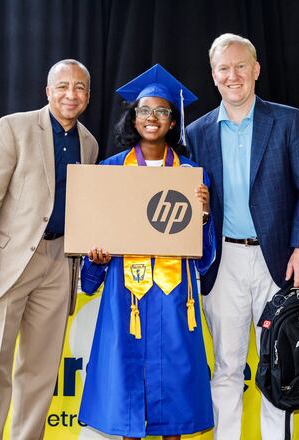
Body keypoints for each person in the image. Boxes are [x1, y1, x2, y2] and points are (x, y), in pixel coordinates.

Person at [186, 33, 299, 440]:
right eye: (224, 68)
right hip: (223, 261)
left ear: (256, 70)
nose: (233, 75)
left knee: (277, 361)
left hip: (275, 260)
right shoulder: (197, 132)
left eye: (241, 66)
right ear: (213, 76)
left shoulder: (287, 119)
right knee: (226, 364)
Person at [77, 64, 215, 440]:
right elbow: (95, 239)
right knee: (127, 378)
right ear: (133, 117)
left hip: (175, 296)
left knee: (175, 380)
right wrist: (96, 257)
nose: (152, 118)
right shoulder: (110, 169)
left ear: (173, 121)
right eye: (144, 111)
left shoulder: (192, 175)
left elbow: (203, 256)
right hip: (127, 293)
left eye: (162, 111)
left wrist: (202, 216)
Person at [0, 59, 99, 439]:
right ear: (48, 91)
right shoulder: (14, 127)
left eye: (79, 88)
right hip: (8, 263)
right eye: (63, 86)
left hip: (60, 265)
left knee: (40, 372)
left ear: (88, 96)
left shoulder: (88, 144)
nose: (70, 94)